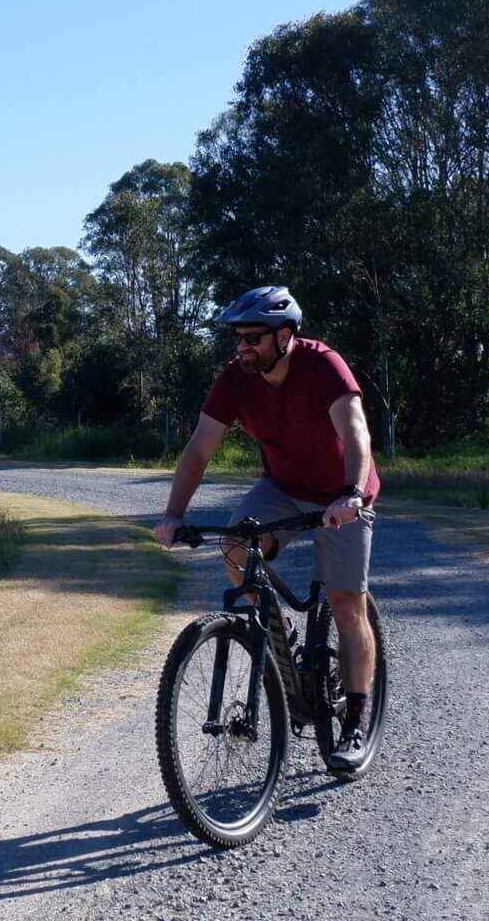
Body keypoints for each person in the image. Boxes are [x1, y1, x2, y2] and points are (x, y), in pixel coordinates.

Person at [152, 285, 383, 774]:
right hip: (281, 485)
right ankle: (279, 635)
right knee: (236, 544)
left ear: (285, 336)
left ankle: (356, 725)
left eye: (253, 337)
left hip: (343, 490)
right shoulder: (235, 379)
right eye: (237, 338)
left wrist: (352, 494)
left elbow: (356, 431)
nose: (242, 347)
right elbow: (198, 449)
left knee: (346, 602)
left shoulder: (323, 366)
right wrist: (173, 514)